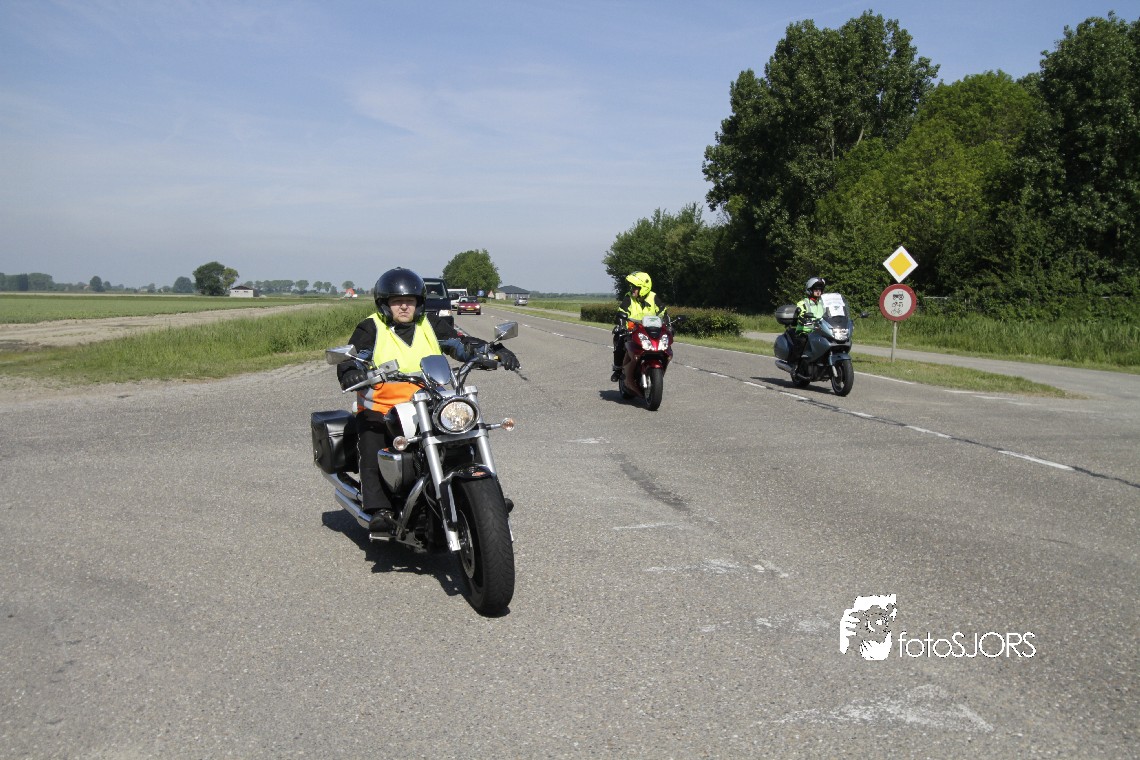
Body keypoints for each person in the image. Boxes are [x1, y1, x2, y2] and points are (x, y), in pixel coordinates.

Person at [337, 267, 520, 528]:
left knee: (464, 431)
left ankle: (487, 496)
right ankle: (379, 508)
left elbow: (459, 343)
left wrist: (492, 351)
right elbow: (353, 357)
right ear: (385, 304)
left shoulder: (430, 324)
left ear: (419, 303)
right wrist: (351, 371)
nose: (404, 307)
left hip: (430, 400)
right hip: (383, 406)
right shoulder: (371, 327)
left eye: (409, 301)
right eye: (397, 301)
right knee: (371, 439)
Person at [611, 271, 666, 381]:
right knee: (619, 338)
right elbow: (621, 312)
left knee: (664, 344)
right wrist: (622, 326)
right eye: (632, 287)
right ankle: (617, 369)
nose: (632, 290)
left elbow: (663, 312)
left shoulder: (653, 297)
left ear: (644, 288)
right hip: (632, 329)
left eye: (635, 287)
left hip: (650, 330)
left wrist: (668, 326)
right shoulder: (629, 297)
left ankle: (659, 367)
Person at [788, 276, 826, 369]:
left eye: (820, 289)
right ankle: (794, 364)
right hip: (805, 330)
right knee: (802, 341)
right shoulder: (803, 303)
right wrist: (803, 319)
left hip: (821, 330)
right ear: (810, 290)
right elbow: (800, 313)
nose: (818, 291)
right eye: (816, 289)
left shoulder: (824, 303)